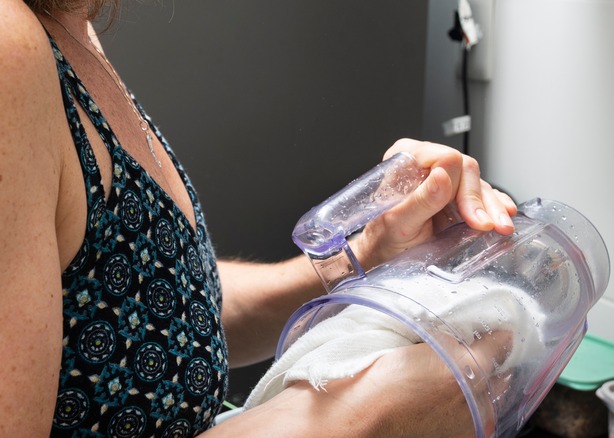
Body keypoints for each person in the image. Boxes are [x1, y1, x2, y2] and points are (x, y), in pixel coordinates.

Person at [0, 0, 518, 436]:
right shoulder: (10, 43)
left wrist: (365, 255)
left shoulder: (70, 21)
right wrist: (354, 416)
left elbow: (148, 309)